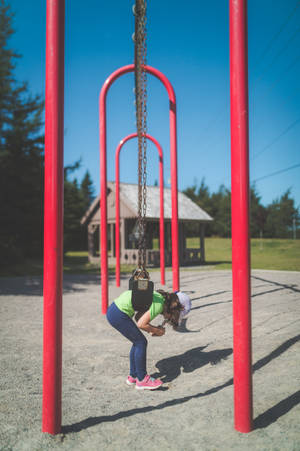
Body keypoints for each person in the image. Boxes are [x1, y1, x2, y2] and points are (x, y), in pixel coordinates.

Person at [106, 288, 191, 390]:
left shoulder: (158, 298)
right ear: (174, 308)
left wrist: (151, 330)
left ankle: (133, 376)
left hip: (114, 310)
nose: (168, 319)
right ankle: (142, 380)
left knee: (137, 342)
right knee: (141, 343)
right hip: (118, 314)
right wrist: (157, 330)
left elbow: (138, 317)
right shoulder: (159, 304)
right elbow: (141, 324)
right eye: (173, 317)